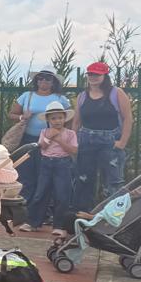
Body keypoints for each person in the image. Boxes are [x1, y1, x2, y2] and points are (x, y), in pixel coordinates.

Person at [73, 61, 133, 213]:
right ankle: (84, 214)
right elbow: (77, 121)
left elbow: (128, 118)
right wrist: (74, 141)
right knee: (84, 179)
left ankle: (114, 215)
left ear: (105, 76)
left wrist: (122, 142)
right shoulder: (82, 96)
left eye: (97, 74)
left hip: (110, 141)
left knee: (113, 182)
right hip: (86, 141)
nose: (93, 77)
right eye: (90, 74)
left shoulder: (116, 93)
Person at [8, 70, 70, 204]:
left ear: (53, 82)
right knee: (26, 174)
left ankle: (42, 207)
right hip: (28, 139)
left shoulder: (60, 99)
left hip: (52, 142)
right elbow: (12, 114)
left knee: (44, 175)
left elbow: (69, 118)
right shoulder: (27, 96)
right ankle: (25, 205)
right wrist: (22, 117)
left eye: (47, 78)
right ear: (36, 81)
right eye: (40, 78)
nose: (43, 81)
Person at [25, 102, 77, 237]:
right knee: (41, 193)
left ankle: (59, 225)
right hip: (46, 163)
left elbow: (73, 150)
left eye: (60, 118)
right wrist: (49, 137)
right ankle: (33, 222)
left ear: (65, 118)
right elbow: (41, 146)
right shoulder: (44, 132)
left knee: (62, 195)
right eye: (53, 118)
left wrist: (59, 140)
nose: (57, 121)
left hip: (63, 164)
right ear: (48, 120)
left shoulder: (70, 133)